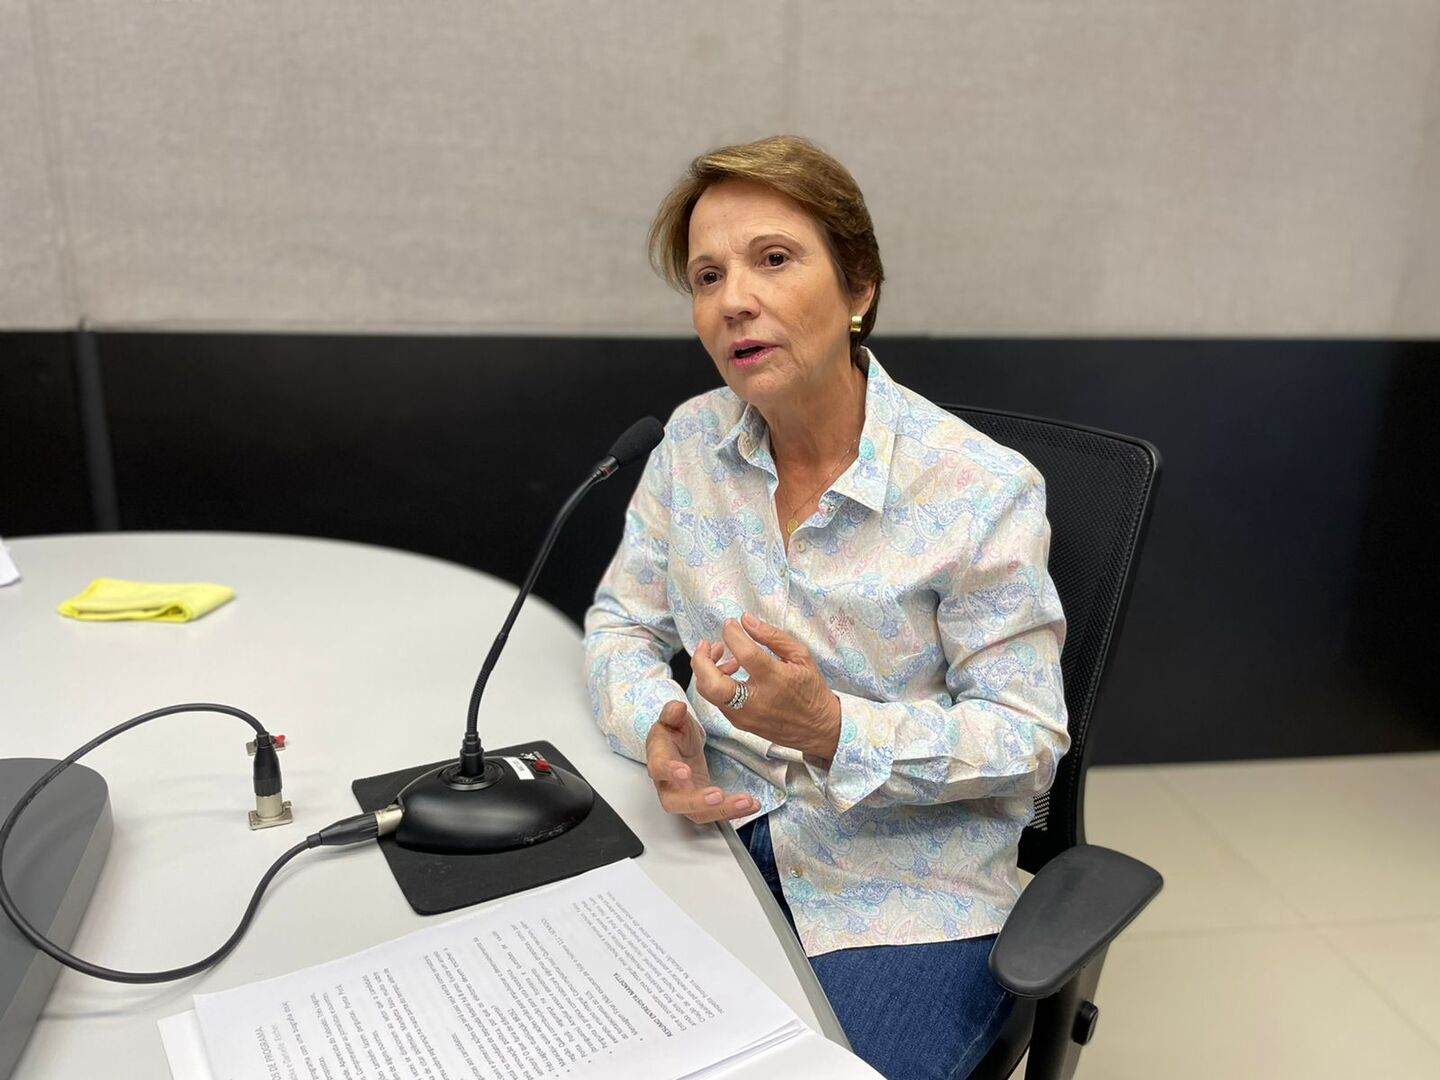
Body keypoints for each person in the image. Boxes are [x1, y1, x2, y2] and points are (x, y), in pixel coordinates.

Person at [582, 135, 1068, 1080]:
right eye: (707, 275)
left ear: (859, 290)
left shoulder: (980, 489)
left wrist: (833, 728)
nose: (734, 301)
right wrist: (662, 724)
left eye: (774, 259)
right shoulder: (689, 443)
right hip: (712, 837)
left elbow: (1026, 737)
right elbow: (621, 627)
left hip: (900, 886)